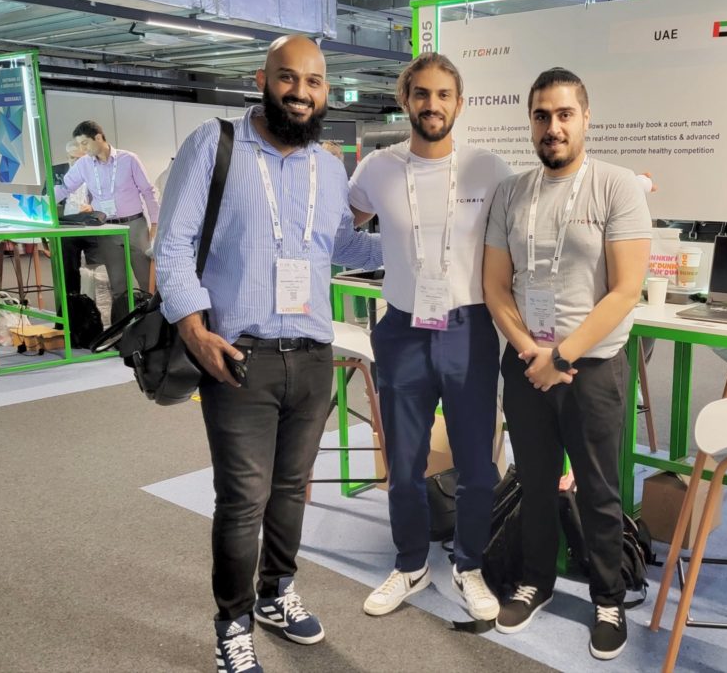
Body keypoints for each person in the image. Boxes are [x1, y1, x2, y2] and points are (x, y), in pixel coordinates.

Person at [154, 34, 382, 673]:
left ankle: (277, 592)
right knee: (243, 499)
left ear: (326, 92)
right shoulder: (215, 144)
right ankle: (232, 624)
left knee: (289, 489)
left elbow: (339, 247)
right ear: (262, 79)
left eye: (314, 82)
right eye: (288, 78)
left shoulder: (329, 168)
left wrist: (414, 244)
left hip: (312, 354)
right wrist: (194, 331)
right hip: (237, 355)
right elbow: (171, 246)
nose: (300, 92)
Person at [483, 67, 652, 660]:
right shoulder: (512, 192)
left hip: (590, 369)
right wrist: (532, 353)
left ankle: (607, 597)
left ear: (585, 118)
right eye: (541, 116)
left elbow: (625, 291)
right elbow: (495, 286)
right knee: (532, 482)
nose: (552, 127)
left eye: (563, 114)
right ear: (530, 122)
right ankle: (536, 581)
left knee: (600, 491)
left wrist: (561, 355)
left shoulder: (616, 186)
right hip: (527, 364)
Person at [348, 53, 511, 622]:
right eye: (422, 93)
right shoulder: (377, 169)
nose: (432, 104)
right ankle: (411, 563)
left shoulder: (489, 169)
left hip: (469, 328)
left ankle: (469, 566)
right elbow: (340, 223)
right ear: (405, 100)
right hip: (402, 328)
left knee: (476, 464)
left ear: (459, 103)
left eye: (443, 95)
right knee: (404, 461)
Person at [55, 120, 159, 292]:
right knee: (117, 284)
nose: (82, 149)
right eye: (79, 144)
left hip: (134, 225)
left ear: (98, 137)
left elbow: (148, 191)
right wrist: (43, 204)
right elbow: (65, 187)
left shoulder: (129, 159)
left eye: (85, 143)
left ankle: (152, 310)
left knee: (147, 280)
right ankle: (123, 311)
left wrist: (155, 223)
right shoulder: (84, 164)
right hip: (107, 228)